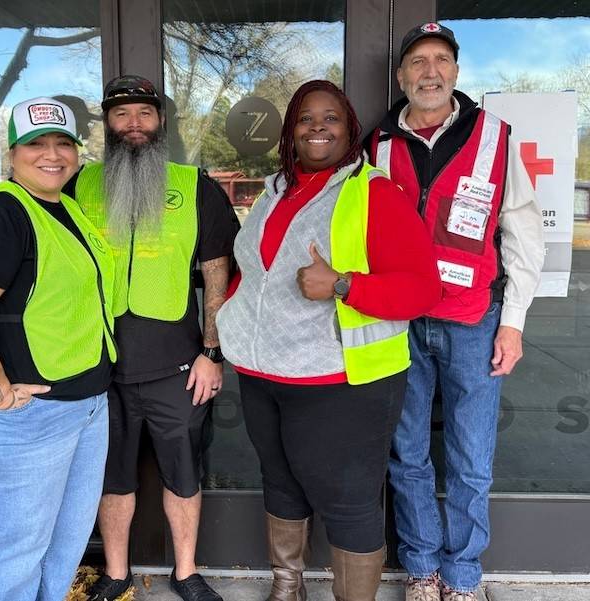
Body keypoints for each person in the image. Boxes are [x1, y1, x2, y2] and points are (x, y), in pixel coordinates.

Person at [216, 79, 442, 601]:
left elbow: (423, 289)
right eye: (305, 118)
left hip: (342, 381)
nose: (317, 127)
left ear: (350, 131)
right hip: (263, 374)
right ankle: (286, 588)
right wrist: (224, 326)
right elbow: (255, 275)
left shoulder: (375, 192)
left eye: (331, 118)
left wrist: (342, 284)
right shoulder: (274, 192)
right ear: (291, 131)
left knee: (349, 501)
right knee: (281, 483)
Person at [366, 23, 545, 601]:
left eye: (441, 60)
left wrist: (513, 322)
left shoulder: (493, 137)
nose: (430, 72)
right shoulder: (379, 145)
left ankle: (463, 576)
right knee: (407, 452)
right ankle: (421, 569)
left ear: (457, 73)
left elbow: (521, 234)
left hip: (473, 321)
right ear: (401, 76)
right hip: (400, 322)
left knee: (471, 459)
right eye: (418, 62)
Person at [0, 97, 115, 601]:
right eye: (35, 143)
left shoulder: (66, 208)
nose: (51, 154)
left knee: (61, 547)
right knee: (11, 555)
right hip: (22, 419)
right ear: (11, 153)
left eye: (63, 142)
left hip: (82, 408)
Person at [69, 75, 239, 601]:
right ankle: (116, 572)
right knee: (111, 476)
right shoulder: (79, 184)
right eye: (122, 115)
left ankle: (186, 572)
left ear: (162, 121)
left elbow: (218, 273)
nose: (134, 124)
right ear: (108, 125)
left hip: (177, 366)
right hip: (99, 367)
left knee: (183, 473)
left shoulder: (194, 187)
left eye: (145, 113)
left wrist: (213, 354)